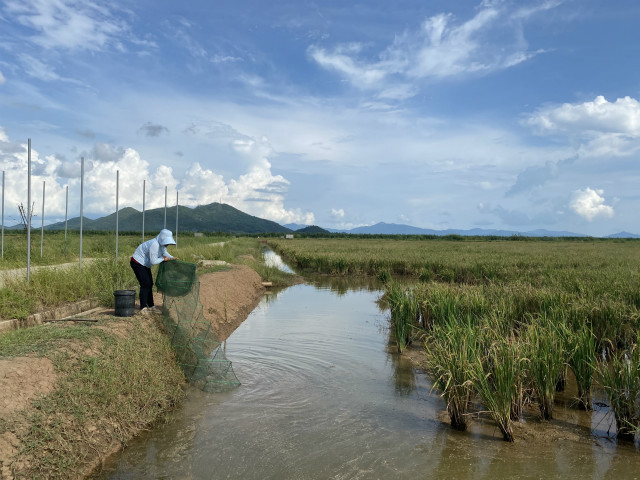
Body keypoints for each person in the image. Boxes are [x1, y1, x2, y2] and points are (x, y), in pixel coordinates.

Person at [130, 229, 177, 311]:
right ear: (162, 239)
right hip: (137, 262)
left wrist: (171, 257)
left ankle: (151, 306)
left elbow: (164, 253)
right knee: (145, 284)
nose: (167, 244)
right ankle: (143, 308)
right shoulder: (154, 244)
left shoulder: (161, 244)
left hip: (145, 264)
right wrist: (163, 259)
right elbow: (153, 261)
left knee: (150, 283)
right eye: (167, 242)